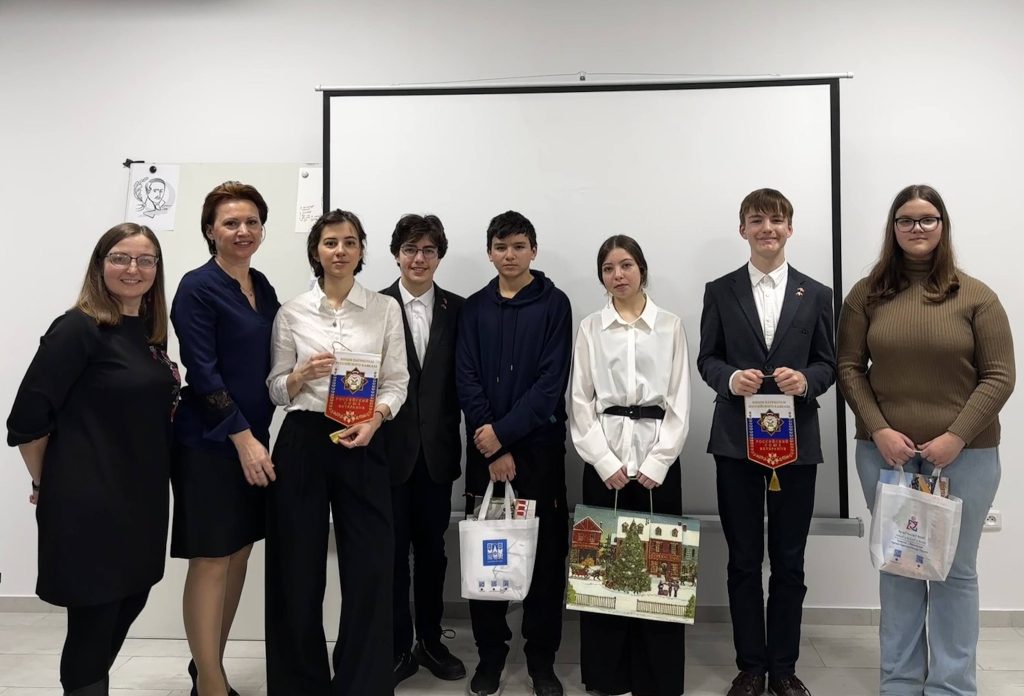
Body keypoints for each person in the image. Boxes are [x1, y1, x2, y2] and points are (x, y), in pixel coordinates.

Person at [837, 184, 1015, 696]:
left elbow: (1000, 376)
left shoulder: (977, 296)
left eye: (927, 219)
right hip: (885, 456)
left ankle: (952, 686)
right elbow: (849, 367)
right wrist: (879, 429)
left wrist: (955, 437)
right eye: (906, 220)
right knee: (899, 569)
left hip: (966, 458)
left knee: (955, 573)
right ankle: (899, 683)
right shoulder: (866, 294)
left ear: (943, 226)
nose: (917, 228)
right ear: (893, 228)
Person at [7, 223, 180, 696]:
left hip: (141, 501)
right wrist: (47, 482)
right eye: (120, 257)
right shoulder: (77, 329)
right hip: (90, 503)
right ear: (99, 265)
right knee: (94, 620)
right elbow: (26, 421)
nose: (133, 268)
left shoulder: (148, 335)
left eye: (145, 260)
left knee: (131, 599)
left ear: (156, 270)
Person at [697, 189, 836, 696]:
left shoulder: (815, 293)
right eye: (757, 220)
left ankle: (784, 668)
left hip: (796, 443)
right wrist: (731, 379)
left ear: (789, 229)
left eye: (777, 220)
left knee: (790, 560)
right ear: (743, 230)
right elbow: (707, 358)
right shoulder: (720, 290)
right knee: (742, 559)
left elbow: (828, 363)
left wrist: (808, 381)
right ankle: (751, 667)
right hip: (736, 441)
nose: (767, 229)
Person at [264, 209, 409, 696]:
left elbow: (397, 382)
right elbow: (275, 389)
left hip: (363, 435)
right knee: (296, 566)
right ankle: (299, 683)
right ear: (316, 251)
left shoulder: (385, 309)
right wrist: (300, 375)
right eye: (330, 242)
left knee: (370, 565)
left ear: (362, 250)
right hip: (303, 438)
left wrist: (376, 418)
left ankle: (361, 682)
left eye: (350, 242)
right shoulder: (291, 312)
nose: (340, 251)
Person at [456, 210, 573, 696]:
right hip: (485, 455)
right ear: (490, 252)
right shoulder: (473, 308)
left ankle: (541, 662)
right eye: (501, 247)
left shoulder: (555, 304)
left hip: (539, 454)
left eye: (519, 246)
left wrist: (503, 436)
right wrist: (491, 447)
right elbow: (466, 379)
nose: (510, 255)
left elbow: (550, 385)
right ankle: (490, 658)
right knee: (489, 557)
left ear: (533, 250)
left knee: (545, 563)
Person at [170, 181, 280, 696]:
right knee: (212, 558)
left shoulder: (262, 285)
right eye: (231, 222)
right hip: (210, 443)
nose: (243, 230)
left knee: (238, 554)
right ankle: (213, 686)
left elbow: (274, 359)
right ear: (210, 230)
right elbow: (203, 373)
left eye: (252, 221)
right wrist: (242, 437)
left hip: (253, 440)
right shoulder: (197, 287)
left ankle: (207, 667)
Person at [569, 235, 691, 696]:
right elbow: (580, 401)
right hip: (606, 464)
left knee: (660, 572)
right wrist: (603, 460)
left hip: (658, 463)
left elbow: (680, 399)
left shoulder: (670, 325)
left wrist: (659, 460)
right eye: (608, 268)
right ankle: (608, 676)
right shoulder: (590, 328)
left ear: (642, 269)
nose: (617, 275)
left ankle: (657, 677)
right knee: (603, 573)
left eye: (626, 265)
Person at [379, 214, 467, 686]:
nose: (419, 258)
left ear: (439, 256)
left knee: (433, 554)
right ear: (397, 254)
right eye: (410, 249)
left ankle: (431, 642)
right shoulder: (374, 306)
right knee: (392, 556)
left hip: (437, 454)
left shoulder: (460, 310)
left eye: (428, 250)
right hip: (386, 454)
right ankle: (397, 646)